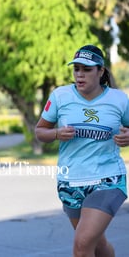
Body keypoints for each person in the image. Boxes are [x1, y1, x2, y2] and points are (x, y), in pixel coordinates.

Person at [35, 44, 128, 257]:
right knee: (96, 244)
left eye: (87, 69)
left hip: (108, 179)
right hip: (71, 181)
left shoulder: (119, 99)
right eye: (76, 69)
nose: (80, 74)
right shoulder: (60, 96)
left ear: (101, 71)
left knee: (82, 244)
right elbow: (40, 131)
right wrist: (56, 133)